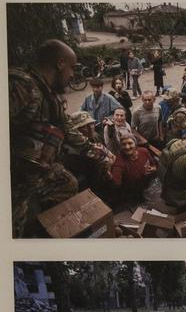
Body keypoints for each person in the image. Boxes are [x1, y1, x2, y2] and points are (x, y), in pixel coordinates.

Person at [10, 40, 111, 236]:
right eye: (72, 68)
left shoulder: (50, 96)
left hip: (38, 167)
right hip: (16, 172)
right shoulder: (21, 86)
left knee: (67, 183)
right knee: (15, 225)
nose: (73, 75)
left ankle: (45, 226)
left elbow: (67, 129)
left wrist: (96, 151)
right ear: (60, 64)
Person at [103, 130, 156, 208]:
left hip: (146, 189)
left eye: (130, 143)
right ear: (120, 146)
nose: (127, 147)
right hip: (131, 195)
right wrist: (108, 173)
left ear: (135, 144)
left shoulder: (144, 151)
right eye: (124, 144)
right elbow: (116, 183)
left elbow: (153, 165)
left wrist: (154, 168)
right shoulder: (119, 162)